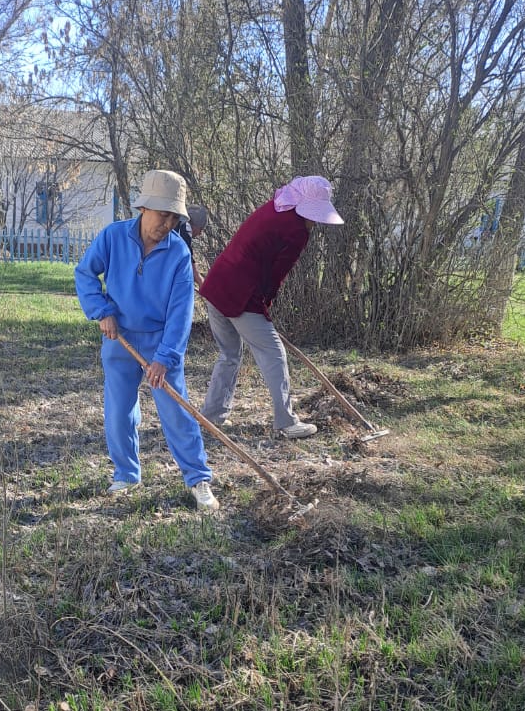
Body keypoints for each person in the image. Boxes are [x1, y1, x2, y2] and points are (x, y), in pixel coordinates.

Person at [75, 170, 219, 511]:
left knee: (176, 411)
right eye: (161, 214)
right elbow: (85, 273)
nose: (166, 223)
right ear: (143, 208)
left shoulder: (179, 255)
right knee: (118, 411)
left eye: (173, 217)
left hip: (160, 344)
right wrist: (101, 310)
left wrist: (165, 358)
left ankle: (198, 479)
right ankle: (126, 473)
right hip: (120, 338)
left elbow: (180, 314)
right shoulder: (112, 237)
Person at [198, 175, 343, 438]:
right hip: (240, 294)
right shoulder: (296, 230)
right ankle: (287, 422)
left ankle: (211, 417)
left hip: (216, 284)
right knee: (274, 353)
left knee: (229, 354)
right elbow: (276, 273)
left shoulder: (276, 204)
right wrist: (264, 304)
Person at [177, 203, 209, 287]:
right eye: (201, 229)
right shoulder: (186, 228)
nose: (200, 233)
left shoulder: (175, 224)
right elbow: (187, 256)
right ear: (196, 225)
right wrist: (200, 280)